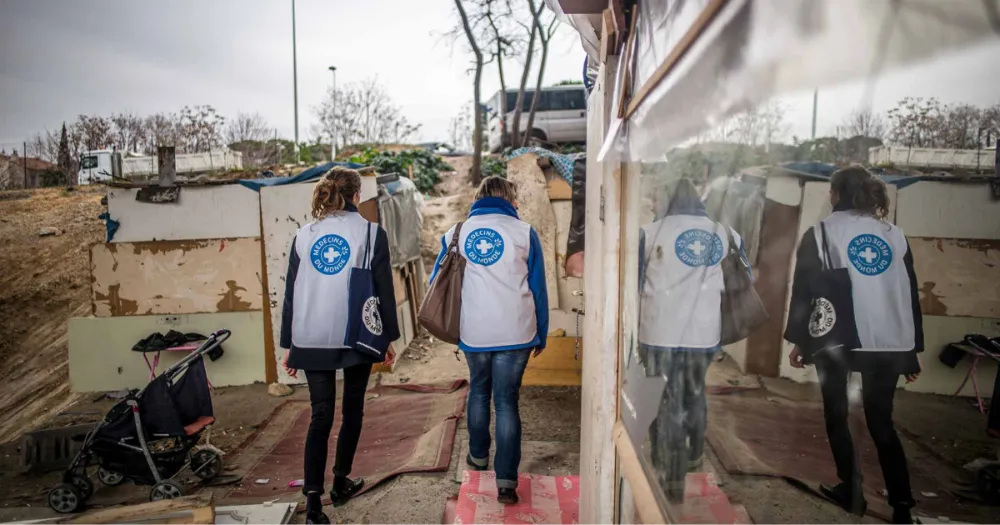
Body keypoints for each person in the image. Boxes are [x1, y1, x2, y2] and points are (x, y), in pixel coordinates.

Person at [784, 166, 922, 524]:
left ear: (837, 194)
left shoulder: (822, 233)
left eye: (831, 192)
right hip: (891, 341)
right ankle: (902, 506)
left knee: (837, 415)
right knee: (881, 421)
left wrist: (799, 341)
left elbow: (805, 292)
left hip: (838, 337)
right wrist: (911, 352)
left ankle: (852, 490)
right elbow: (908, 295)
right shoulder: (895, 236)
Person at [279, 167, 399, 524]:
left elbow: (291, 295)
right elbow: (383, 291)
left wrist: (290, 344)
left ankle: (313, 502)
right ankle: (341, 481)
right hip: (355, 335)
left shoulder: (303, 236)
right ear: (356, 195)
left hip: (311, 335)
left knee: (320, 416)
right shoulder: (371, 233)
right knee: (352, 411)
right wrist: (388, 338)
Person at [430, 176, 548, 505]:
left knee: (479, 390)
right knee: (507, 401)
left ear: (478, 198)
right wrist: (542, 332)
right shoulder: (524, 233)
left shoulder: (456, 233)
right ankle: (507, 482)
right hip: (517, 332)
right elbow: (538, 288)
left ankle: (478, 458)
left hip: (474, 332)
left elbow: (437, 281)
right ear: (510, 198)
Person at [637, 178, 747, 502]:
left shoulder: (648, 233)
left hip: (658, 332)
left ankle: (669, 473)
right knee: (694, 392)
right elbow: (745, 280)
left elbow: (631, 282)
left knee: (665, 400)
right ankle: (694, 453)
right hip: (704, 334)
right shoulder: (726, 234)